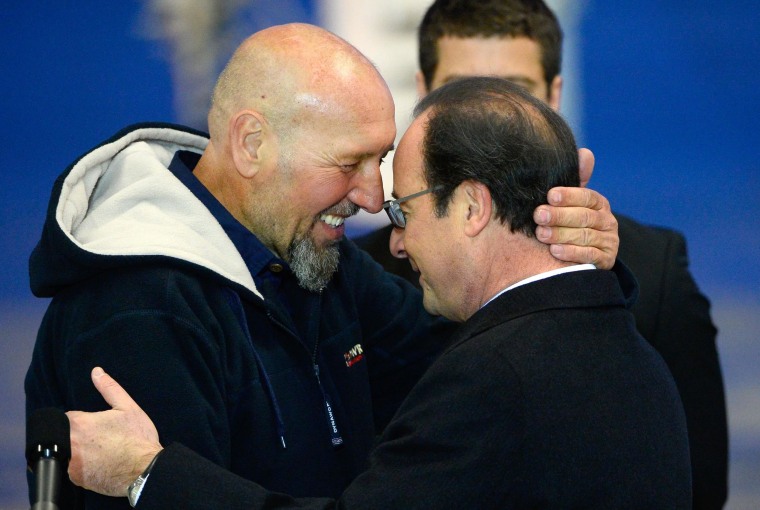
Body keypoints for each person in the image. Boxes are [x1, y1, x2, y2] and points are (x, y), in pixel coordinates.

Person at [26, 22, 621, 509]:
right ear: (252, 144)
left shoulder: (315, 258)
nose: (370, 196)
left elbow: (479, 369)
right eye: (348, 163)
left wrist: (557, 266)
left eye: (381, 160)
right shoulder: (137, 311)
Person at [354, 2, 727, 507]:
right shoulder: (358, 272)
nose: (485, 120)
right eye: (460, 90)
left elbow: (695, 486)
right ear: (423, 92)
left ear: (554, 96)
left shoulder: (650, 275)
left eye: (514, 92)